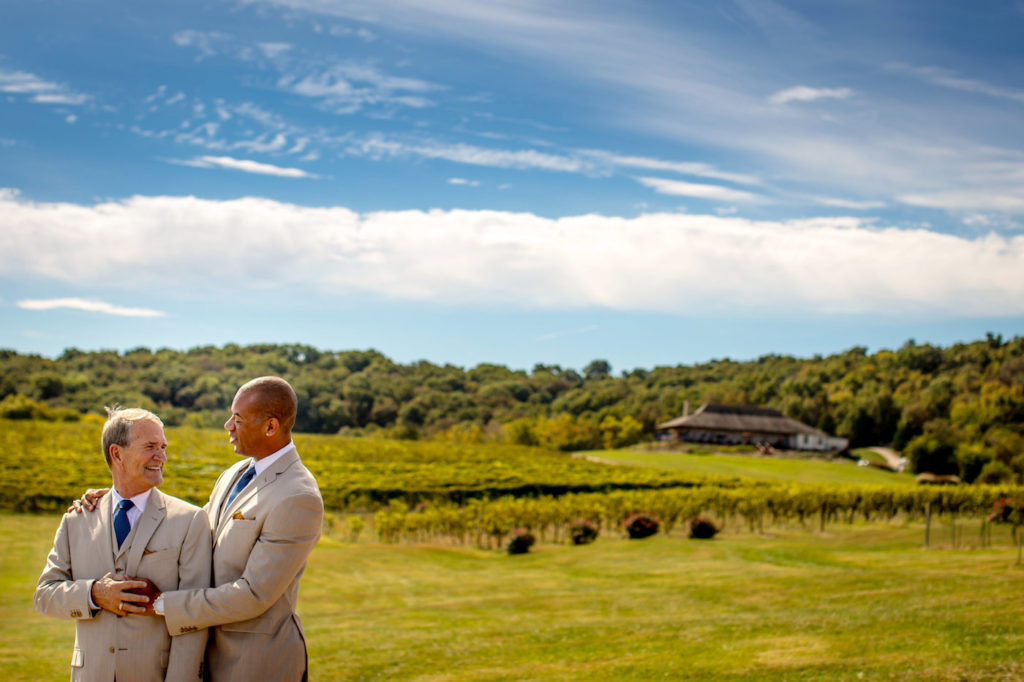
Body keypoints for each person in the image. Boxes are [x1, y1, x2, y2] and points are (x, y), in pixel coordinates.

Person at [76, 376, 324, 681]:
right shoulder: (235, 473)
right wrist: (118, 497)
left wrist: (160, 603)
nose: (227, 426)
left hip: (255, 664)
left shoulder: (298, 496)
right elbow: (191, 526)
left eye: (237, 418)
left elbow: (253, 594)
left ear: (270, 427)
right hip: (209, 656)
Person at [36, 407, 211, 681]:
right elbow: (44, 595)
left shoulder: (191, 520)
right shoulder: (77, 518)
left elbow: (195, 619)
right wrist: (94, 594)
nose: (162, 457)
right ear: (117, 454)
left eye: (163, 447)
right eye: (151, 446)